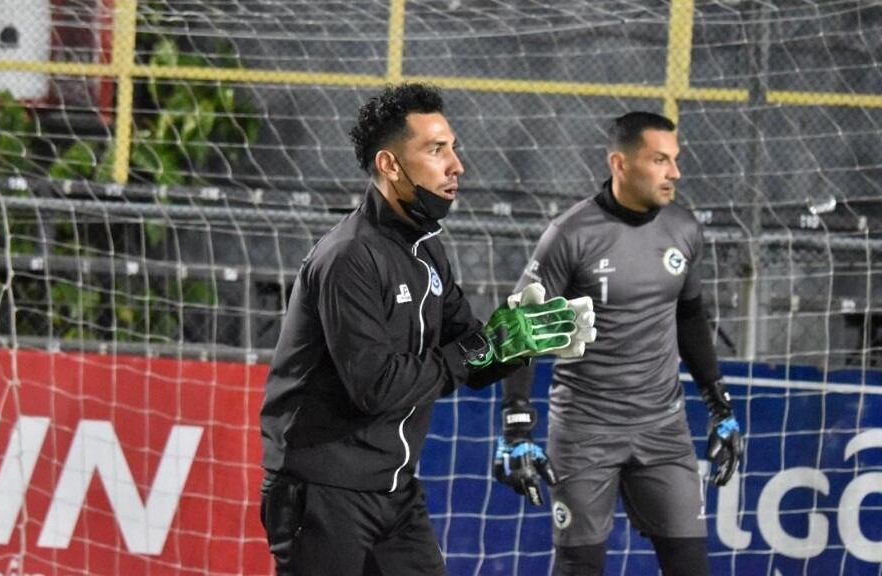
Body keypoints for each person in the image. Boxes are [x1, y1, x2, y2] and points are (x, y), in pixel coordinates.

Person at [259, 83, 583, 575]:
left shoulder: (427, 248)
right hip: (323, 492)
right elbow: (376, 386)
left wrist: (517, 343)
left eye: (453, 147)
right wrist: (480, 347)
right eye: (436, 150)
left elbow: (469, 354)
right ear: (390, 165)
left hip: (395, 491)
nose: (457, 165)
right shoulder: (349, 258)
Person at [494, 111, 743, 576]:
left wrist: (719, 404)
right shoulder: (570, 234)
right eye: (660, 160)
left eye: (676, 160)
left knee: (691, 565)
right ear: (620, 164)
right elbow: (518, 325)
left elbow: (689, 316)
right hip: (586, 429)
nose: (675, 173)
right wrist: (516, 430)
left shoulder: (685, 230)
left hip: (664, 428)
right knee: (579, 567)